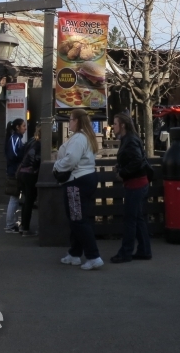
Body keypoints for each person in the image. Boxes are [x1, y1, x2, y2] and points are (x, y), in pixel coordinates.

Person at [55, 109, 103, 270]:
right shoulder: (87, 137)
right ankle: (75, 253)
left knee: (77, 219)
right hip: (86, 178)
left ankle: (93, 256)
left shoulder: (78, 138)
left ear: (77, 121)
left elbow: (71, 159)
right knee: (78, 218)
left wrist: (57, 166)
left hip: (76, 180)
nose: (69, 123)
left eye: (71, 119)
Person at [111, 113, 152, 263]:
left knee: (130, 220)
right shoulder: (129, 139)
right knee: (137, 218)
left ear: (122, 125)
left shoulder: (129, 140)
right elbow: (134, 159)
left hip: (135, 184)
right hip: (138, 182)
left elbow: (137, 160)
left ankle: (126, 252)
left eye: (115, 124)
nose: (113, 126)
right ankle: (144, 250)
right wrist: (121, 166)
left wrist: (123, 172)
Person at [17, 127, 42, 236]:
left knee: (27, 201)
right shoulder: (40, 144)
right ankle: (26, 228)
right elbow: (37, 158)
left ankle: (23, 227)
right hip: (30, 174)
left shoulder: (31, 141)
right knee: (29, 201)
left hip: (22, 173)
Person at [3, 118, 27, 233]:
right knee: (14, 198)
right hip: (14, 172)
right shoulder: (14, 138)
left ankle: (11, 222)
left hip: (14, 170)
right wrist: (23, 157)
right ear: (17, 127)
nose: (25, 128)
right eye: (23, 126)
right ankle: (10, 225)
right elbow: (13, 155)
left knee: (15, 198)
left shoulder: (16, 138)